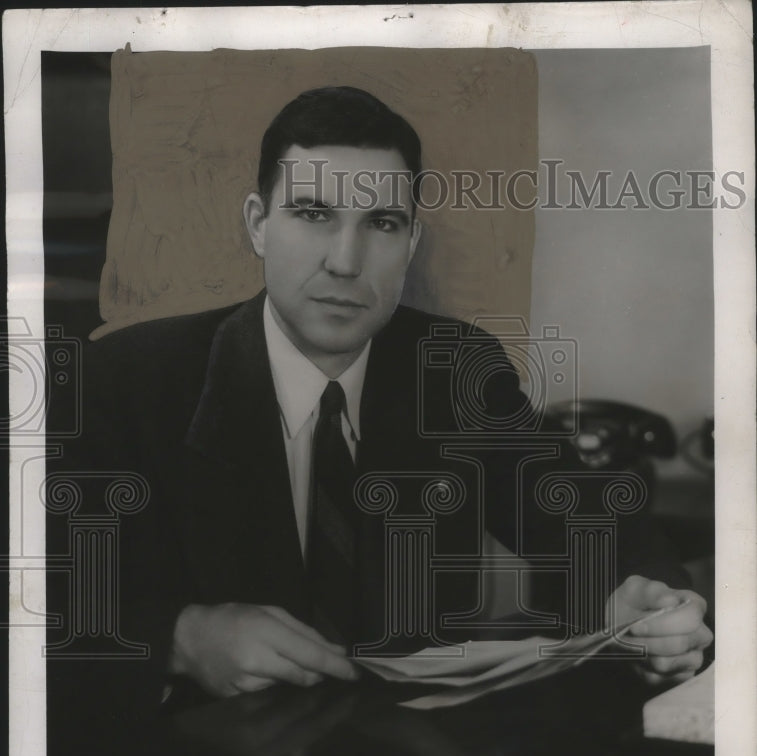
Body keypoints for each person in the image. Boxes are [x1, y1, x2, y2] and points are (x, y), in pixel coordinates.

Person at [64, 86, 712, 708]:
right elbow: (45, 593)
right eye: (314, 215)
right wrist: (177, 637)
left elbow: (584, 522)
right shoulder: (127, 379)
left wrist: (644, 604)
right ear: (258, 225)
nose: (346, 261)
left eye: (381, 222)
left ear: (410, 244)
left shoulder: (454, 367)